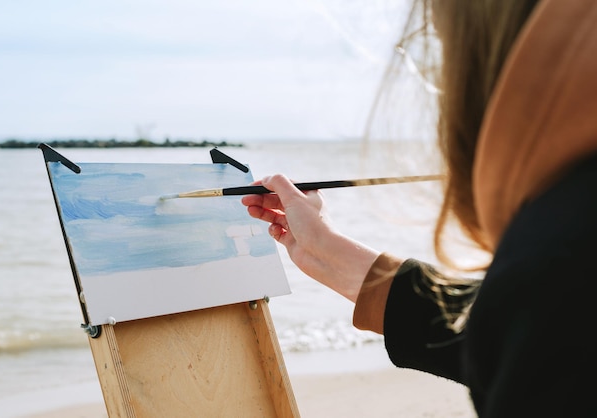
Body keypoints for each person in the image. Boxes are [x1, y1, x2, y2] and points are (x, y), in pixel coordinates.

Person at [241, 0, 597, 416]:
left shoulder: (564, 249)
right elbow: (517, 335)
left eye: (437, 45)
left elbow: (538, 326)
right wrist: (327, 250)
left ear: (482, 52)